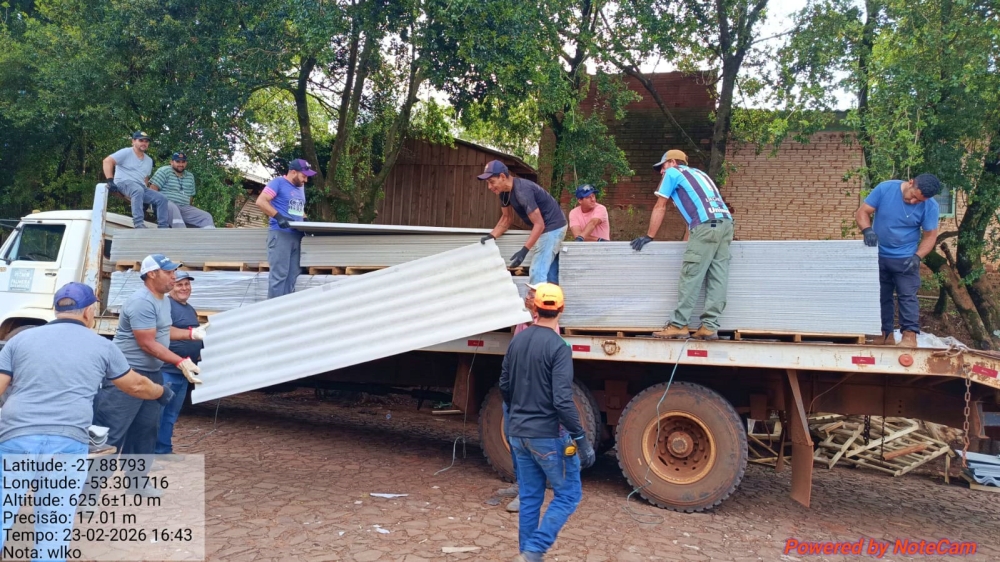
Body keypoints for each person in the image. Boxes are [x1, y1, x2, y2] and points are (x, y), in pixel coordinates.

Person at [0, 282, 175, 562]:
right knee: (54, 525)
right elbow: (136, 385)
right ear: (88, 312)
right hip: (67, 441)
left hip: (16, 436)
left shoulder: (20, 340)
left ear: (56, 309)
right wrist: (161, 392)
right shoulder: (102, 346)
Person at [500, 283, 595, 562]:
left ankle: (526, 555)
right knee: (568, 495)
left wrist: (519, 411)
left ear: (535, 308)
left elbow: (504, 385)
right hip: (548, 435)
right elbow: (562, 401)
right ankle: (534, 550)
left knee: (530, 498)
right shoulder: (559, 347)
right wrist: (581, 439)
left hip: (519, 434)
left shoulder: (518, 340)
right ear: (561, 309)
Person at [92, 254, 204, 487]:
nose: (174, 276)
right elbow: (147, 343)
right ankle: (90, 489)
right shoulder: (142, 301)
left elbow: (162, 330)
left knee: (145, 430)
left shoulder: (162, 300)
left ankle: (137, 482)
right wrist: (180, 362)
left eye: (174, 271)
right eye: (169, 272)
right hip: (126, 375)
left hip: (151, 373)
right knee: (113, 432)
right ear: (152, 274)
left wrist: (191, 333)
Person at [630, 150, 734, 341]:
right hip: (725, 224)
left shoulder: (673, 172)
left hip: (705, 226)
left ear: (672, 162)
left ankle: (678, 325)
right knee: (718, 275)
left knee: (691, 275)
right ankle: (709, 327)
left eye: (662, 167)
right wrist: (689, 245)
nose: (661, 172)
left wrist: (649, 236)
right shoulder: (700, 174)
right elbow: (692, 219)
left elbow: (660, 206)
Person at [855, 173, 941, 347]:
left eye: (919, 201)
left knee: (907, 296)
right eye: (914, 196)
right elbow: (862, 212)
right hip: (878, 255)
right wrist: (867, 230)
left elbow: (930, 236)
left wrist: (918, 256)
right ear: (911, 183)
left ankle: (909, 336)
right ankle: (884, 335)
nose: (914, 202)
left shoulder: (930, 206)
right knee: (881, 296)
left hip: (906, 259)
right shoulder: (885, 189)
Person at [478, 160, 568, 285]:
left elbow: (539, 224)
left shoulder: (522, 191)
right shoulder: (504, 193)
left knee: (537, 272)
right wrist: (491, 236)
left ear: (502, 177)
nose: (489, 187)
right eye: (488, 183)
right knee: (548, 272)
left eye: (492, 182)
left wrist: (524, 251)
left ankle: (539, 297)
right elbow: (506, 218)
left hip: (553, 227)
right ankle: (550, 295)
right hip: (544, 226)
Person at [155, 271, 203, 455]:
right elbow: (162, 331)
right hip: (167, 370)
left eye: (187, 284)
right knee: (157, 414)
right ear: (171, 287)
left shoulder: (189, 309)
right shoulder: (166, 306)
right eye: (179, 284)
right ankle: (151, 453)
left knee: (171, 415)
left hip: (183, 372)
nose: (184, 288)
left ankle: (164, 451)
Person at [256, 159, 315, 298]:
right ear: (293, 172)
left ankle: (287, 309)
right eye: (303, 176)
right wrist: (278, 217)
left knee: (292, 276)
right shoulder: (278, 183)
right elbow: (261, 201)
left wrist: (305, 220)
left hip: (297, 236)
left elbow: (297, 208)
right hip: (281, 234)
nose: (306, 180)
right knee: (279, 276)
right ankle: (273, 309)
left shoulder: (300, 187)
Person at [103, 131, 170, 229]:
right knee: (137, 190)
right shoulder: (126, 152)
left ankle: (163, 227)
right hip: (123, 182)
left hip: (141, 187)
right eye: (141, 140)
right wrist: (110, 180)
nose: (144, 143)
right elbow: (107, 161)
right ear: (133, 141)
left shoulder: (149, 160)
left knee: (162, 198)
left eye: (146, 141)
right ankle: (138, 224)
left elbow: (145, 178)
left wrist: (144, 199)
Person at [149, 152, 216, 229]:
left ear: (186, 163)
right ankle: (182, 235)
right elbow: (153, 190)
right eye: (178, 161)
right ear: (171, 162)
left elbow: (190, 198)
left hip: (184, 208)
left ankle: (209, 236)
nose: (181, 164)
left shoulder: (190, 176)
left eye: (183, 162)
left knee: (206, 217)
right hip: (165, 206)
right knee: (172, 207)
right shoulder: (164, 171)